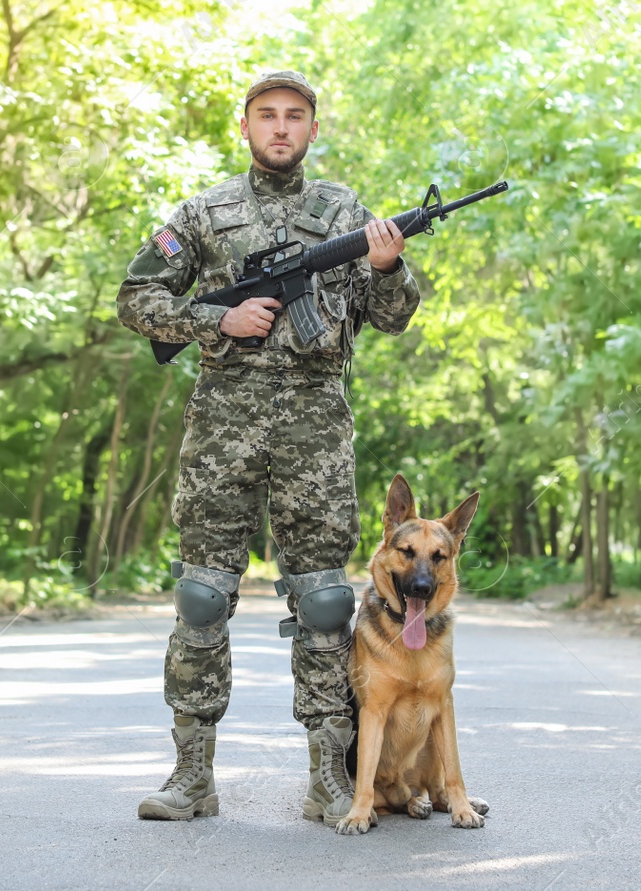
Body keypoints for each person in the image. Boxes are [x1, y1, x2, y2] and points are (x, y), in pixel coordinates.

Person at [115, 70, 421, 825]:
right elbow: (135, 299)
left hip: (316, 429)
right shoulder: (205, 213)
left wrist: (388, 266)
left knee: (322, 602)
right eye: (267, 116)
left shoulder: (348, 213)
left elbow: (395, 316)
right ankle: (192, 775)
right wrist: (216, 321)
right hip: (221, 423)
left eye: (295, 117)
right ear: (245, 127)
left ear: (313, 130)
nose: (281, 128)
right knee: (201, 596)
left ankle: (328, 778)